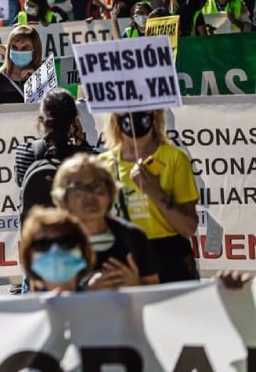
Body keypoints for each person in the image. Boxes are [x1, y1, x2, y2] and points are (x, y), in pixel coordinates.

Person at [99, 110, 199, 283]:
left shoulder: (175, 158)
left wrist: (154, 191)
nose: (133, 112)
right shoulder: (102, 164)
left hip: (170, 258)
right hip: (124, 259)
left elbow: (188, 228)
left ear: (155, 113)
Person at [52, 154, 160, 288]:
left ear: (110, 194)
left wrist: (135, 284)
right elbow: (45, 302)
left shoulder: (134, 237)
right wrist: (86, 293)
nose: (90, 197)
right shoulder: (53, 245)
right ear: (64, 198)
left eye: (98, 188)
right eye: (79, 190)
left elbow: (155, 295)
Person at [14, 88, 95, 225]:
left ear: (41, 121)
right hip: (78, 235)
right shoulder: (87, 158)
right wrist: (83, 143)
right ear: (74, 122)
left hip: (40, 236)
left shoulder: (24, 153)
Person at [20, 207, 95, 293]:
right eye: (42, 244)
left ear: (83, 249)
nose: (55, 250)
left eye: (66, 242)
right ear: (29, 256)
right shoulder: (24, 306)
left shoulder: (103, 304)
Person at [0, 25, 42, 105]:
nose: (19, 51)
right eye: (14, 47)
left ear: (35, 50)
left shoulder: (43, 77)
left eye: (25, 48)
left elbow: (49, 112)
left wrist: (36, 81)